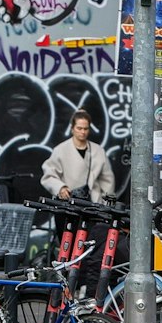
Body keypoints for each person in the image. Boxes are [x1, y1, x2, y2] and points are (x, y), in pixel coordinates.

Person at [40, 109, 115, 295]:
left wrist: (105, 201)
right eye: (79, 128)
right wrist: (60, 187)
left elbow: (107, 179)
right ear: (72, 128)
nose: (82, 132)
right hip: (67, 208)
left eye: (85, 128)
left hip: (91, 209)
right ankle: (67, 286)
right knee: (67, 246)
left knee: (88, 247)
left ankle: (82, 286)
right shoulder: (61, 150)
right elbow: (49, 174)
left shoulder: (97, 151)